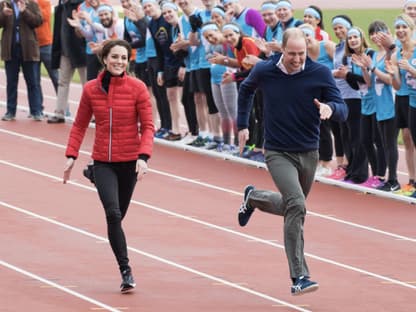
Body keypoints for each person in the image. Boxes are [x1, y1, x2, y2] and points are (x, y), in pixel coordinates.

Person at [236, 28, 348, 296]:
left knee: (292, 206)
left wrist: (330, 109)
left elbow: (342, 109)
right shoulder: (265, 70)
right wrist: (242, 125)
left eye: (301, 54)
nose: (297, 59)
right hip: (277, 151)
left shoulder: (319, 72)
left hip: (308, 151)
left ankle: (253, 198)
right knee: (297, 205)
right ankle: (300, 275)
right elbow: (245, 88)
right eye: (291, 54)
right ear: (281, 50)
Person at [63, 39, 154, 292]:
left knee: (118, 217)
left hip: (130, 164)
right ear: (105, 59)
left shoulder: (137, 88)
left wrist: (143, 157)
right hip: (104, 160)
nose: (119, 62)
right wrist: (71, 154)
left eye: (124, 58)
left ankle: (93, 175)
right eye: (114, 57)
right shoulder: (91, 89)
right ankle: (126, 270)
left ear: (128, 61)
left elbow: (147, 127)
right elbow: (80, 124)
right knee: (113, 214)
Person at [0, 0, 43, 121]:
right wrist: (3, 14)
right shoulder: (5, 4)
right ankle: (10, 111)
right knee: (11, 82)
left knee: (32, 82)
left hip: (28, 49)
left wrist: (25, 12)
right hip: (11, 48)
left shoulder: (32, 4)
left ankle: (36, 111)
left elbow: (38, 21)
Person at [47, 0, 87, 123]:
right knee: (62, 82)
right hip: (65, 52)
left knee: (87, 85)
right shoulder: (61, 7)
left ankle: (93, 115)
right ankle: (59, 113)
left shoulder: (80, 6)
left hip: (81, 52)